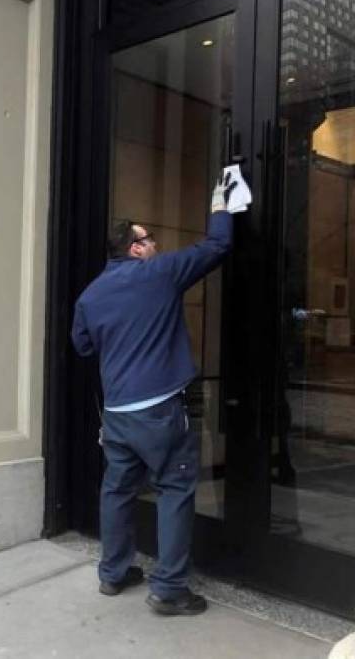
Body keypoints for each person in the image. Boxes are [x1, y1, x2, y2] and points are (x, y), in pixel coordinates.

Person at [71, 177, 236, 616]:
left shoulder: (89, 296)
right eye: (149, 239)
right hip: (161, 408)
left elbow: (83, 347)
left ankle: (114, 572)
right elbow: (218, 245)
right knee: (176, 488)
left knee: (118, 489)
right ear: (135, 249)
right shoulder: (158, 274)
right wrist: (220, 200)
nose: (155, 244)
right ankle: (169, 588)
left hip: (119, 413)